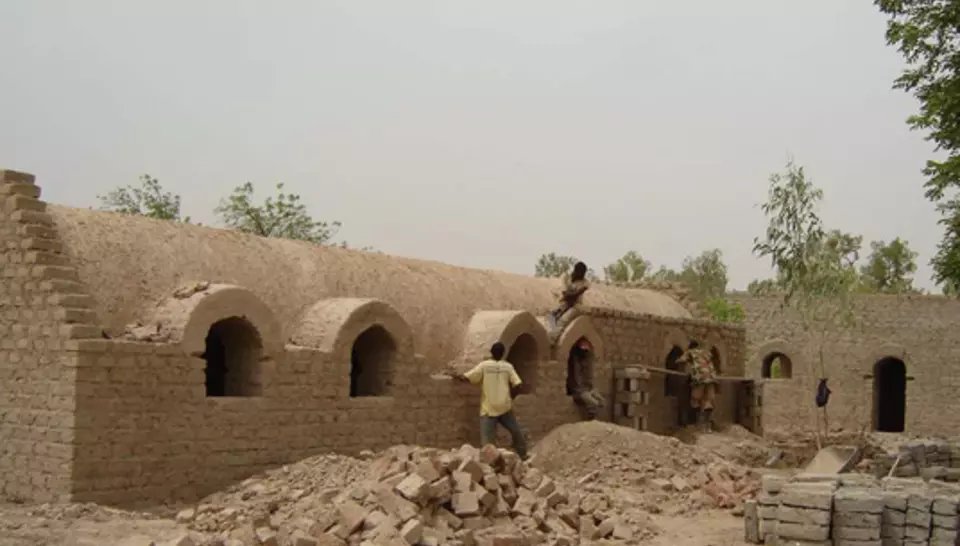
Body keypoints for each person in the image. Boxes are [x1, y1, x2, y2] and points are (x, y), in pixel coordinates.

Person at [456, 342, 529, 459]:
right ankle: (523, 454)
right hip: (505, 407)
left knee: (487, 441)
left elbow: (468, 377)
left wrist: (456, 376)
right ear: (503, 353)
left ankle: (489, 462)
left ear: (491, 353)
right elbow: (518, 384)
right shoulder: (507, 367)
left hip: (488, 408)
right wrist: (510, 397)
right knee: (516, 431)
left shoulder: (485, 366)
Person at [679, 340, 718, 430]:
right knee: (708, 401)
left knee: (695, 399)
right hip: (711, 378)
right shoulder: (706, 353)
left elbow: (681, 360)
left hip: (700, 377)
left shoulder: (691, 352)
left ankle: (696, 423)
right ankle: (706, 426)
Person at [567, 338, 604, 419]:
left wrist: (590, 388)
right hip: (578, 390)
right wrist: (581, 390)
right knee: (594, 403)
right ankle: (590, 421)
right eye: (583, 346)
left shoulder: (585, 360)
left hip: (587, 389)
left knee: (602, 401)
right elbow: (576, 379)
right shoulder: (575, 362)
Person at [548, 261, 590, 330]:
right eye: (581, 273)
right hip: (564, 303)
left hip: (576, 306)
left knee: (562, 322)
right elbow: (566, 294)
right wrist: (573, 294)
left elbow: (573, 295)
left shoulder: (585, 282)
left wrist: (570, 294)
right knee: (551, 317)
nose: (583, 275)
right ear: (576, 271)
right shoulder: (566, 277)